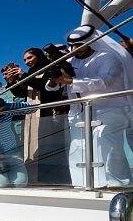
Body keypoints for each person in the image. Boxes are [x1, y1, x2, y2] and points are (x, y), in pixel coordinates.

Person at [46, 25, 133, 188]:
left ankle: (118, 185)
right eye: (73, 45)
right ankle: (83, 185)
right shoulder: (69, 61)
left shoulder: (108, 57)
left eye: (79, 44)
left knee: (106, 146)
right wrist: (54, 79)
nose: (75, 48)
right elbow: (50, 87)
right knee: (78, 149)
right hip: (79, 112)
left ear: (90, 42)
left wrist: (71, 81)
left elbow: (103, 82)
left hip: (108, 110)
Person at [7, 48, 71, 186]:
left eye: (29, 58)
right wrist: (12, 81)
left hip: (48, 113)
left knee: (49, 146)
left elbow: (45, 87)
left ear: (39, 56)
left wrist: (24, 75)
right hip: (31, 114)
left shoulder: (49, 68)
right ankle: (37, 178)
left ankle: (55, 179)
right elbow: (21, 92)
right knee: (31, 146)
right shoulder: (30, 73)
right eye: (24, 60)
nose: (27, 62)